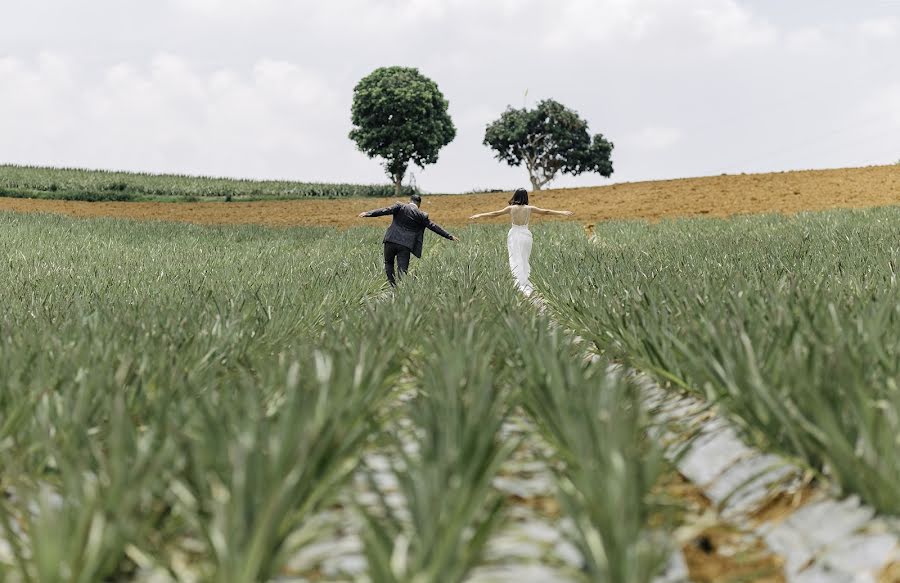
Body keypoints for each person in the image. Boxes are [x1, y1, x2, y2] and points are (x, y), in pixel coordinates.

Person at [469, 188, 572, 295]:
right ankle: (525, 280)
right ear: (526, 197)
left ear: (515, 196)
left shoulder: (511, 208)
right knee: (524, 258)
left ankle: (518, 282)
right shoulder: (530, 208)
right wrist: (562, 212)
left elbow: (495, 213)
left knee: (514, 257)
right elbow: (546, 212)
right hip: (525, 235)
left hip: (514, 234)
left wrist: (479, 215)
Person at [358, 194, 458, 286]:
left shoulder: (400, 206)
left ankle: (393, 287)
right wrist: (449, 236)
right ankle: (401, 289)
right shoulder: (421, 215)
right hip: (405, 245)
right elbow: (434, 227)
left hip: (390, 240)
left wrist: (368, 213)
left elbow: (385, 210)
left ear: (409, 201)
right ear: (419, 204)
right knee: (402, 269)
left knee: (388, 263)